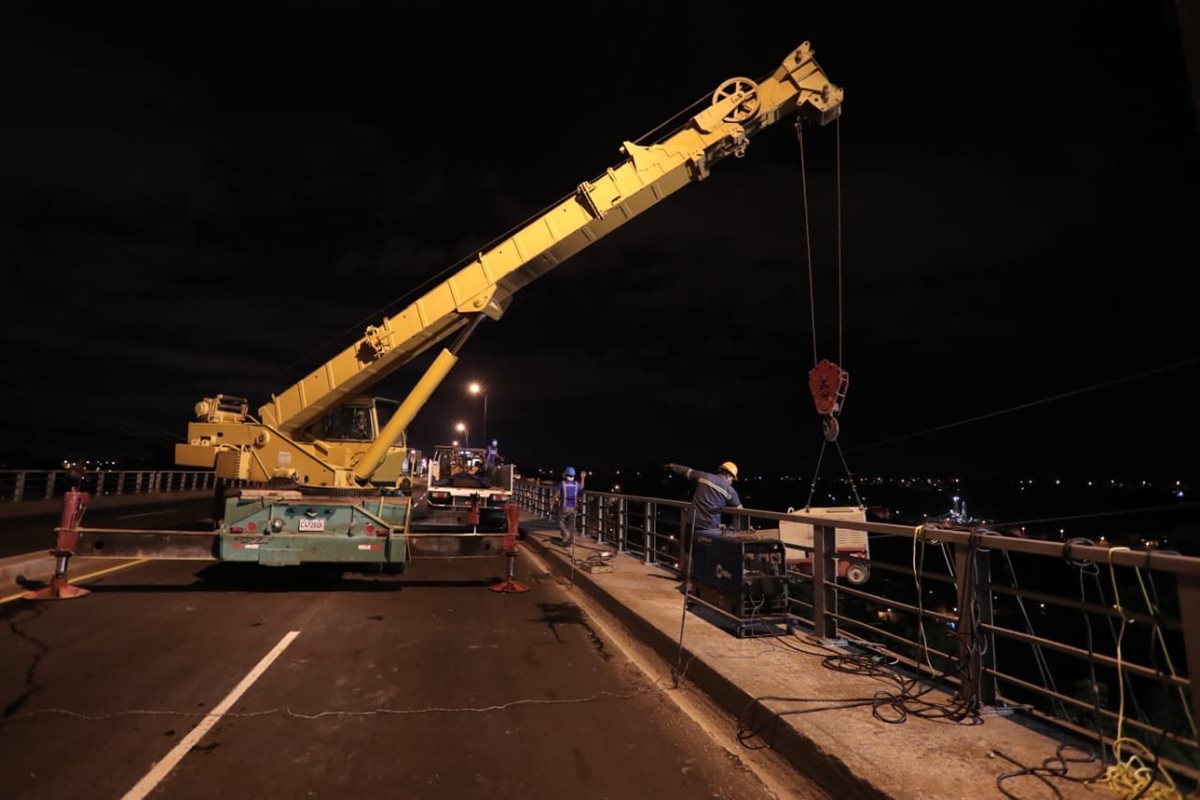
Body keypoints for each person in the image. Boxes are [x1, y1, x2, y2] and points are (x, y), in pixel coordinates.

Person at [664, 460, 742, 537]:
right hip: (710, 528)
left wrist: (672, 466)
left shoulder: (703, 476)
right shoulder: (730, 490)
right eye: (732, 479)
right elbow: (741, 511)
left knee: (689, 548)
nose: (732, 482)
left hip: (692, 523)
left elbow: (686, 471)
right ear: (728, 475)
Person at [552, 466, 586, 546]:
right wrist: (583, 478)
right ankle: (570, 541)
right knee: (571, 524)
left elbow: (556, 495)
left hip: (564, 507)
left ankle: (566, 534)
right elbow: (582, 486)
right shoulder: (577, 484)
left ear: (566, 475)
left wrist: (552, 503)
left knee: (560, 521)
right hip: (573, 508)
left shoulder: (562, 484)